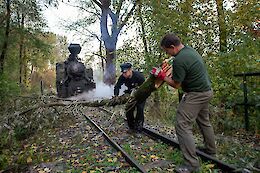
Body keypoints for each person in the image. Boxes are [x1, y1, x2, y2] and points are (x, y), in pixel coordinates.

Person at [151, 33, 216, 173]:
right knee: (204, 121)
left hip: (196, 94)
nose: (166, 53)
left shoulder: (179, 59)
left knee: (182, 124)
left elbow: (176, 84)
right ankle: (210, 150)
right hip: (207, 91)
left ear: (173, 47)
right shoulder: (189, 51)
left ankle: (192, 164)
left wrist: (161, 76)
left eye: (166, 50)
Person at [114, 62, 146, 133]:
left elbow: (145, 89)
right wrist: (116, 96)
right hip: (130, 93)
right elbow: (117, 86)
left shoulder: (139, 76)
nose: (124, 74)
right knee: (129, 110)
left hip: (141, 94)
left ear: (130, 70)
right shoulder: (122, 77)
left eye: (125, 72)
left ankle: (139, 129)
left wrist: (139, 97)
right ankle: (131, 127)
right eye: (123, 72)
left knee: (140, 109)